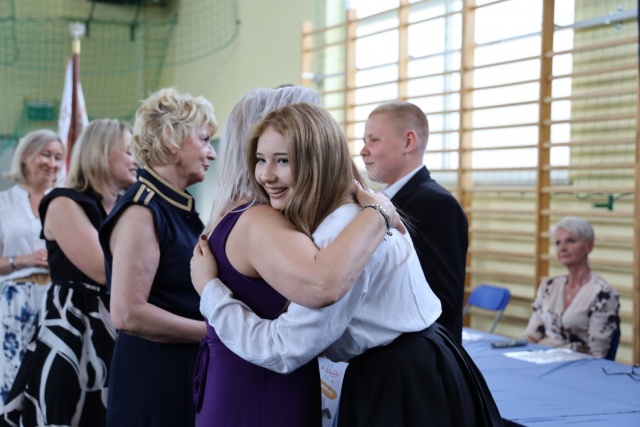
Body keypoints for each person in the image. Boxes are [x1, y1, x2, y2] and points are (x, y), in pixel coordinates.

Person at [192, 103, 503, 427]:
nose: (266, 175)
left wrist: (210, 292)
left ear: (317, 162)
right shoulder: (355, 214)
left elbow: (285, 348)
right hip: (414, 367)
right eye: (261, 159)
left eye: (283, 160)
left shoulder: (344, 233)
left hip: (403, 382)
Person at [191, 85, 404, 427]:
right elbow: (322, 285)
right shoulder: (261, 219)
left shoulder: (234, 211)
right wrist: (379, 212)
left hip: (238, 382)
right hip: (264, 389)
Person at [0, 119, 138, 426]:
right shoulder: (57, 202)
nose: (136, 160)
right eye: (129, 151)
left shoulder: (123, 205)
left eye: (58, 157)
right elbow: (102, 270)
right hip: (56, 313)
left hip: (107, 317)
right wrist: (21, 260)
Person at [98, 87, 217, 427]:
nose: (211, 153)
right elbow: (128, 313)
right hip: (154, 376)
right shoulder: (143, 209)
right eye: (204, 140)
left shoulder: (172, 205)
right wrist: (215, 333)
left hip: (179, 366)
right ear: (171, 139)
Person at [361, 101, 468, 342]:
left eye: (373, 140)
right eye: (364, 141)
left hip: (417, 352)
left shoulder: (436, 204)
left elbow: (441, 300)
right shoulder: (381, 201)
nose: (363, 150)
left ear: (408, 142)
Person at [0, 130, 63, 406]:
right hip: (15, 300)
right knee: (12, 374)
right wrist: (22, 260)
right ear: (25, 157)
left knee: (50, 374)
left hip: (56, 297)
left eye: (58, 157)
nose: (52, 163)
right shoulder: (4, 203)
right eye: (45, 155)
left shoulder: (64, 201)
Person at [524, 216, 620, 358]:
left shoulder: (603, 294)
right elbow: (531, 336)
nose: (562, 248)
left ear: (588, 247)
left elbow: (597, 355)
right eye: (558, 243)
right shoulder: (548, 286)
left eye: (570, 241)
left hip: (578, 364)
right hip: (541, 359)